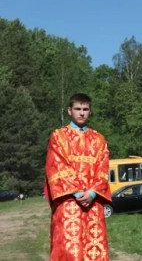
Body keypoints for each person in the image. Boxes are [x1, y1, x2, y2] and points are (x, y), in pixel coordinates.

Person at [44, 93, 111, 261]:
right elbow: (57, 167)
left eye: (85, 109)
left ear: (90, 111)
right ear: (69, 110)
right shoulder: (58, 136)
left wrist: (92, 193)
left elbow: (102, 170)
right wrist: (77, 193)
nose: (81, 113)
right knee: (69, 250)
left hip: (93, 204)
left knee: (94, 251)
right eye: (78, 109)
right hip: (68, 203)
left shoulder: (99, 139)